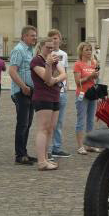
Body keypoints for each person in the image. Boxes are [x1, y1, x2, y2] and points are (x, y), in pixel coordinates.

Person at [29, 36, 65, 171]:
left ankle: (45, 157)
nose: (50, 49)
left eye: (52, 47)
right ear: (41, 47)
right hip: (42, 97)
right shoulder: (36, 61)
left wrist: (54, 78)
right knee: (43, 128)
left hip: (55, 96)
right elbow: (47, 79)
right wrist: (49, 66)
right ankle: (41, 161)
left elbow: (64, 74)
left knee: (50, 128)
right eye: (48, 47)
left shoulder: (53, 58)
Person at [8, 26, 37, 165]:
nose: (34, 38)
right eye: (32, 35)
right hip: (21, 92)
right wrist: (23, 86)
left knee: (28, 123)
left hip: (30, 91)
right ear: (24, 36)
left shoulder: (30, 51)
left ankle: (24, 152)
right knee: (22, 124)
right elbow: (12, 71)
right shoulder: (18, 50)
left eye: (35, 36)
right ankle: (19, 155)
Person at [72, 42, 100, 154]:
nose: (89, 52)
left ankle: (89, 145)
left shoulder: (94, 63)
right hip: (82, 95)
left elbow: (96, 80)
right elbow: (77, 82)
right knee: (81, 120)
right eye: (87, 50)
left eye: (90, 49)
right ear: (81, 51)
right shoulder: (78, 64)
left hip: (92, 94)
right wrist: (90, 76)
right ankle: (80, 146)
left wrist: (96, 77)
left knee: (90, 120)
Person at [46, 29, 71, 159]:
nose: (54, 40)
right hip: (51, 90)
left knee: (60, 122)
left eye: (56, 38)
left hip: (62, 91)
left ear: (60, 40)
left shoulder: (64, 54)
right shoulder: (46, 53)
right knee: (51, 122)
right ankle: (48, 149)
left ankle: (57, 147)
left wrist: (67, 85)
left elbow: (65, 71)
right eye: (51, 38)